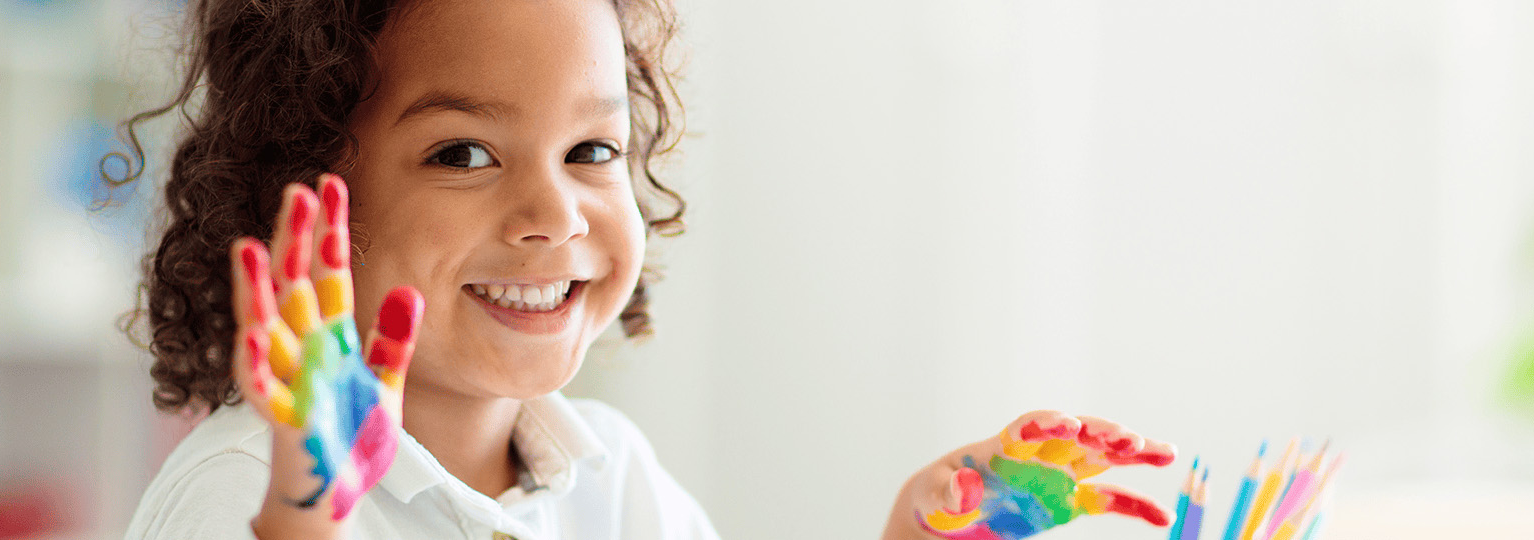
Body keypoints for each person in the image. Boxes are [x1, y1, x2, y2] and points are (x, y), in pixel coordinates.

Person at [117, 1, 1177, 539]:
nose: (552, 215)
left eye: (592, 152)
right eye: (464, 155)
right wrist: (305, 515)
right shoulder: (243, 485)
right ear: (304, 194)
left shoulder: (606, 474)